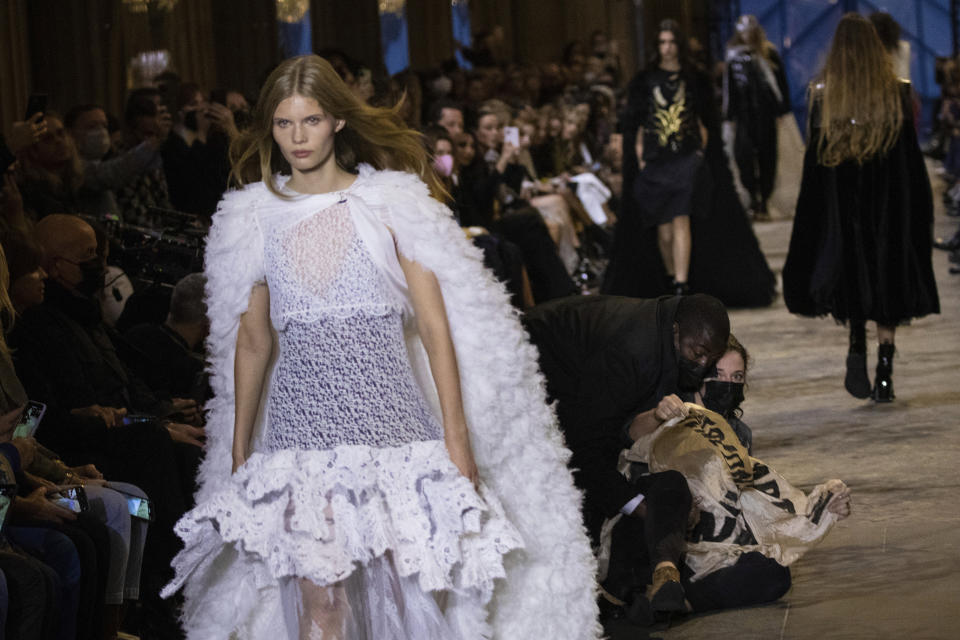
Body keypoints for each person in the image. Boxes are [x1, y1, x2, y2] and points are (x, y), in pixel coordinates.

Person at [161, 55, 599, 640]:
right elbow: (252, 341)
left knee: (405, 596)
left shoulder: (392, 204)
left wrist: (456, 440)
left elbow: (436, 329)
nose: (297, 138)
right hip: (300, 435)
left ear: (338, 121)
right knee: (321, 604)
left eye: (311, 121)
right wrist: (238, 450)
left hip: (395, 429)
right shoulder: (253, 215)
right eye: (284, 124)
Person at [522, 293, 729, 621]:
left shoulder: (662, 337)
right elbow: (583, 441)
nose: (702, 365)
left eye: (711, 359)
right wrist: (633, 503)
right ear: (676, 332)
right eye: (698, 353)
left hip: (564, 373)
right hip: (526, 366)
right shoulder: (633, 354)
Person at [619, 335, 853, 615]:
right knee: (674, 485)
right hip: (652, 528)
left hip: (703, 546)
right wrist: (658, 415)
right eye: (718, 375)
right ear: (699, 375)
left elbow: (752, 501)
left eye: (737, 377)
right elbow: (630, 436)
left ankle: (672, 602)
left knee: (775, 575)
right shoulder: (672, 406)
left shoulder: (738, 435)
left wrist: (816, 512)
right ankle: (664, 578)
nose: (727, 384)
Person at [783, 13, 940, 402]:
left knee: (851, 274)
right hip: (888, 207)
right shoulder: (897, 92)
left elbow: (815, 167)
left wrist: (812, 222)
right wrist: (917, 214)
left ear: (836, 51)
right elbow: (910, 163)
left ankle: (857, 343)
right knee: (889, 282)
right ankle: (884, 368)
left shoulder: (823, 96)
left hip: (844, 208)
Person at [621, 20, 708, 295]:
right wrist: (640, 158)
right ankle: (672, 279)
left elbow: (704, 120)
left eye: (671, 42)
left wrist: (699, 153)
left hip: (684, 158)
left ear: (678, 44)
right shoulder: (645, 80)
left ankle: (681, 284)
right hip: (655, 160)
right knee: (664, 230)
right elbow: (636, 122)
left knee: (681, 219)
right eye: (662, 42)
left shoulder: (692, 77)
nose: (667, 48)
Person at [723, 15, 791, 221]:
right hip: (744, 115)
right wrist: (730, 115)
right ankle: (753, 196)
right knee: (743, 156)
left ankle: (764, 199)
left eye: (750, 32)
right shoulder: (733, 57)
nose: (746, 36)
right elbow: (731, 89)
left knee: (767, 156)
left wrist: (782, 110)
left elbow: (779, 83)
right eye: (743, 32)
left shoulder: (768, 53)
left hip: (766, 114)